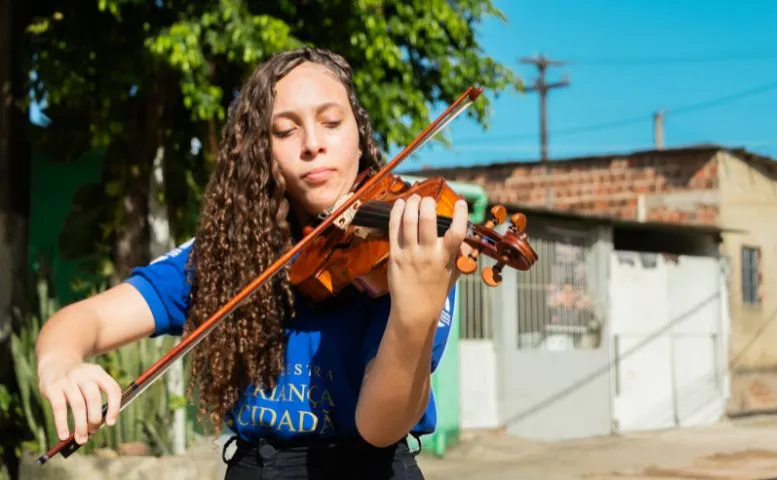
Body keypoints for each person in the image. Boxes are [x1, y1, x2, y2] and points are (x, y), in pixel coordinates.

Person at [34, 46, 469, 479]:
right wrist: (61, 364)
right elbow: (83, 320)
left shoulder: (408, 249)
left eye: (332, 123)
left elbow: (380, 428)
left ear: (360, 137)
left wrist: (415, 316)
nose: (313, 144)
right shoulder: (227, 254)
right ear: (262, 154)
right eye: (285, 131)